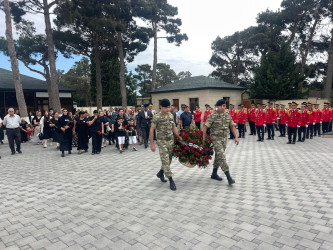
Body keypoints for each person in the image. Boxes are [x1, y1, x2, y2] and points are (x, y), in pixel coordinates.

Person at [203, 99, 238, 185]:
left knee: (219, 156)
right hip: (215, 138)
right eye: (221, 106)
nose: (223, 107)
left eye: (224, 106)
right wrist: (203, 139)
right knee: (222, 156)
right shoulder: (212, 116)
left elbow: (232, 126)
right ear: (217, 106)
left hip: (224, 139)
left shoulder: (227, 114)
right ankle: (228, 177)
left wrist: (236, 137)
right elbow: (205, 127)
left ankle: (214, 173)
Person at [150, 98, 181, 191]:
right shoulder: (157, 117)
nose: (168, 109)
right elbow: (152, 130)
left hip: (170, 140)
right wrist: (152, 144)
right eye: (166, 108)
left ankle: (160, 173)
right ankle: (171, 180)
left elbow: (174, 127)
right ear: (161, 107)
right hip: (162, 141)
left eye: (169, 107)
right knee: (165, 161)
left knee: (169, 160)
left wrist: (179, 136)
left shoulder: (171, 115)